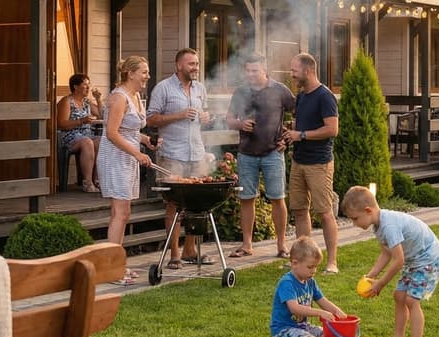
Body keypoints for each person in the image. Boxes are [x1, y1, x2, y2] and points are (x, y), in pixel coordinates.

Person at [341, 186, 439, 337]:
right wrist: (371, 275)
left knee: (411, 300)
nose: (354, 223)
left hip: (428, 258)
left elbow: (398, 260)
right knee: (399, 295)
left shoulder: (389, 225)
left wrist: (381, 283)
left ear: (368, 210)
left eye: (355, 219)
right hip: (414, 260)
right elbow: (386, 253)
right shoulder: (378, 225)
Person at [146, 48, 212, 268]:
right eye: (191, 64)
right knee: (173, 206)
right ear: (179, 65)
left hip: (197, 153)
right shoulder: (163, 88)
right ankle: (174, 255)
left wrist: (205, 117)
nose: (196, 67)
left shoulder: (200, 89)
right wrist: (179, 115)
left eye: (197, 63)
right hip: (173, 154)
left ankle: (190, 251)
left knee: (196, 204)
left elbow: (207, 115)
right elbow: (151, 119)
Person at [96, 56, 159, 285]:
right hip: (115, 158)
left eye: (148, 72)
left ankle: (117, 265)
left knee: (123, 213)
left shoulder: (135, 96)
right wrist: (136, 153)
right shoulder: (118, 97)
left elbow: (129, 131)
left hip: (128, 157)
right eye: (144, 72)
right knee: (120, 213)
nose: (147, 76)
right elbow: (112, 133)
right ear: (130, 73)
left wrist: (146, 141)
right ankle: (112, 270)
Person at [226, 54, 295, 258]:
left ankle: (281, 245)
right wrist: (240, 124)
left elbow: (299, 112)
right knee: (246, 198)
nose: (250, 74)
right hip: (246, 154)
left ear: (265, 69)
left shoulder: (279, 90)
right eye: (247, 71)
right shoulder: (240, 91)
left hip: (273, 153)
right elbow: (229, 119)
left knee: (277, 198)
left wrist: (289, 138)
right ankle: (247, 244)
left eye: (254, 71)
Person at [281, 52, 340, 273]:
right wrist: (291, 135)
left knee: (324, 212)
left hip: (319, 162)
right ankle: (303, 261)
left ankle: (332, 262)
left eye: (294, 70)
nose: (292, 74)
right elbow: (302, 126)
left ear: (307, 70)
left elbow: (332, 129)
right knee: (299, 210)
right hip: (299, 161)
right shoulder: (303, 96)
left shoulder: (325, 96)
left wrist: (302, 135)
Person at [258, 236, 347, 337]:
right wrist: (320, 313)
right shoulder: (287, 283)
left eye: (316, 266)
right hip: (285, 328)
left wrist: (337, 312)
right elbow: (294, 308)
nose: (314, 271)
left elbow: (322, 300)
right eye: (310, 267)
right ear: (294, 263)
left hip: (302, 326)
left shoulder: (310, 281)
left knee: (329, 336)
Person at [57, 73, 102, 193]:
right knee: (87, 142)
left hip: (86, 134)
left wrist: (98, 98)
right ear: (75, 87)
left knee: (100, 142)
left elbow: (101, 114)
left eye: (89, 85)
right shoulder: (67, 101)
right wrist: (81, 121)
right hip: (69, 136)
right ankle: (87, 182)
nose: (88, 88)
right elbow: (61, 123)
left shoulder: (86, 102)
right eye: (85, 85)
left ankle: (96, 180)